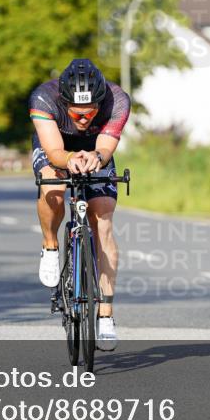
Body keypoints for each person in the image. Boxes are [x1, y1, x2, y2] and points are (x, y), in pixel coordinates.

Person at [29, 58, 130, 351]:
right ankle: (50, 245)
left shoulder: (118, 100)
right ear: (64, 102)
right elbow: (54, 151)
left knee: (103, 218)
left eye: (90, 113)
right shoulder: (43, 98)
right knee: (53, 187)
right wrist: (70, 159)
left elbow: (106, 147)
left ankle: (106, 315)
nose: (83, 120)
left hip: (95, 150)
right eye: (76, 114)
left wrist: (96, 157)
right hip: (57, 147)